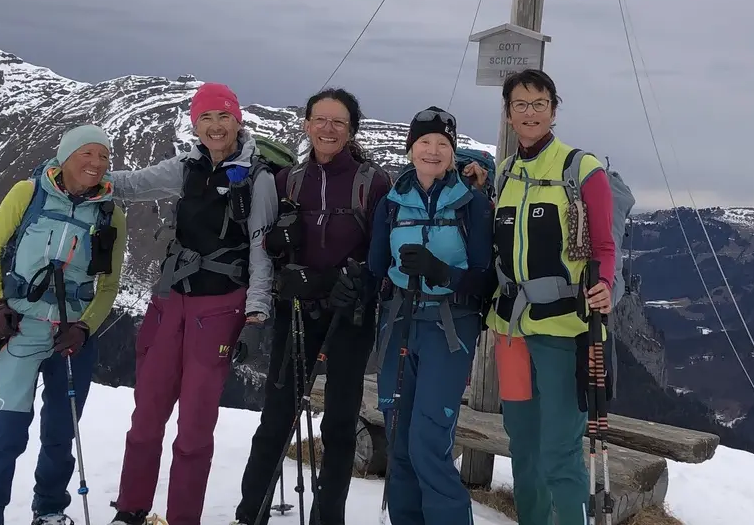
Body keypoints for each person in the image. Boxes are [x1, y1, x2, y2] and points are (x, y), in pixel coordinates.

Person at [106, 83, 278, 525]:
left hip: (219, 311)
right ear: (195, 124)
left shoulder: (258, 180)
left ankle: (183, 517)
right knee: (145, 418)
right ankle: (130, 509)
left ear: (238, 121)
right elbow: (132, 185)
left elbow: (262, 253)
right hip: (170, 305)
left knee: (195, 430)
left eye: (223, 117)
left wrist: (256, 314)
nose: (216, 127)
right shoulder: (186, 167)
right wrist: (82, 177)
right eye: (206, 118)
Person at [234, 88, 392, 525]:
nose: (328, 128)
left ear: (351, 129)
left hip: (350, 315)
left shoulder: (372, 182)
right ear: (306, 125)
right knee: (277, 417)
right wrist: (280, 250)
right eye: (320, 120)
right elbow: (268, 247)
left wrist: (352, 281)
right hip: (296, 311)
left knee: (340, 425)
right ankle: (250, 514)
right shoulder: (289, 181)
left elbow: (382, 255)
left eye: (337, 122)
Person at [0, 125, 128, 525]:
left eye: (104, 156)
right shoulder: (29, 193)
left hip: (72, 337)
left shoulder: (110, 214)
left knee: (60, 434)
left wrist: (84, 328)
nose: (96, 163)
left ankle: (51, 510)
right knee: (7, 431)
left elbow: (108, 286)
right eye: (86, 153)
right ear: (65, 156)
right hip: (21, 326)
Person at [485, 69, 617, 525]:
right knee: (522, 442)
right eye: (519, 104)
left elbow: (604, 246)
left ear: (554, 110)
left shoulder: (581, 170)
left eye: (539, 103)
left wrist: (606, 285)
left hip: (563, 327)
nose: (529, 112)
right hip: (509, 330)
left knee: (560, 446)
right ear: (507, 114)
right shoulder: (504, 174)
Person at [368, 106, 494, 525]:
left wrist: (442, 273)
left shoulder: (471, 204)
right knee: (400, 438)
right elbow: (375, 266)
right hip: (400, 322)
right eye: (425, 142)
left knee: (428, 440)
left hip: (450, 328)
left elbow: (484, 280)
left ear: (453, 152)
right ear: (410, 149)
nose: (433, 150)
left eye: (443, 143)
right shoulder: (391, 202)